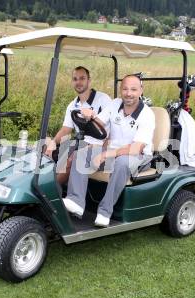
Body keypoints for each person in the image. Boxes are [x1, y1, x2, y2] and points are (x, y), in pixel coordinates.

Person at [63, 74, 155, 227]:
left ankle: (105, 212)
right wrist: (89, 117)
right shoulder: (115, 104)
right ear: (120, 90)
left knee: (122, 163)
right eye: (125, 89)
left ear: (141, 90)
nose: (128, 93)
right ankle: (76, 201)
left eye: (133, 89)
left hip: (138, 155)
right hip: (113, 152)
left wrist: (106, 153)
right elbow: (98, 123)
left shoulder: (146, 114)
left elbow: (136, 148)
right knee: (81, 154)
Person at [45, 66, 112, 184]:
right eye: (75, 79)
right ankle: (47, 185)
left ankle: (49, 193)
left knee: (73, 158)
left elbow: (113, 128)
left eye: (82, 78)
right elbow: (66, 129)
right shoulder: (72, 105)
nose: (78, 82)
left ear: (89, 80)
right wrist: (53, 143)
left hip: (99, 146)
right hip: (80, 143)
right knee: (45, 149)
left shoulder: (103, 99)